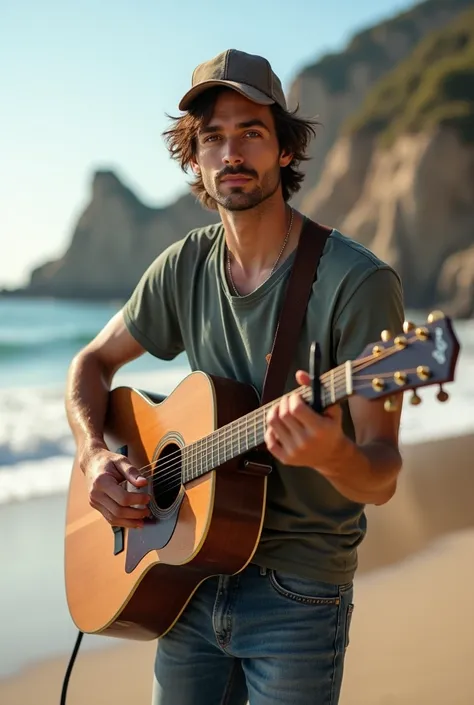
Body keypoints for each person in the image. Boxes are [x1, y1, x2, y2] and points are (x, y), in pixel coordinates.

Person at [65, 49, 405, 705]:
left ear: (284, 149)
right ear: (194, 158)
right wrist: (96, 453)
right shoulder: (183, 265)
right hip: (185, 569)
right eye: (213, 138)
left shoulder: (357, 284)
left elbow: (382, 471)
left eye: (250, 130)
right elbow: (91, 364)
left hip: (297, 592)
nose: (231, 153)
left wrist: (334, 453)